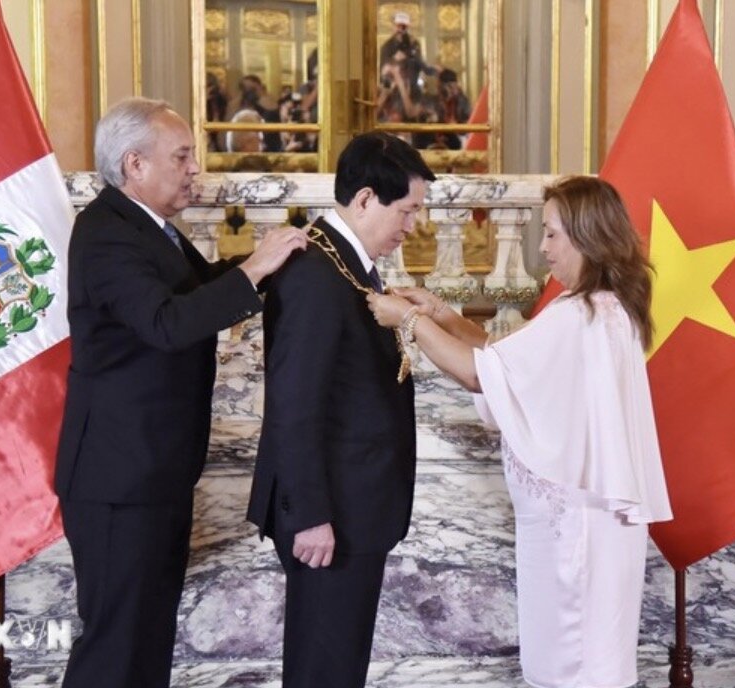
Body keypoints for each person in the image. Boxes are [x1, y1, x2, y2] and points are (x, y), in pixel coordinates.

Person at [367, 176, 673, 688]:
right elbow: (509, 360)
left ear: (587, 236)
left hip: (575, 534)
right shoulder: (604, 306)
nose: (543, 247)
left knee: (571, 665)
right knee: (594, 658)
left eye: (553, 234)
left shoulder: (580, 314)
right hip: (591, 527)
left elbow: (478, 371)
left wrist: (407, 321)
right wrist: (441, 313)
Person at [54, 97, 306, 688]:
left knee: (147, 640)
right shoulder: (107, 234)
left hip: (153, 473)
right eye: (183, 156)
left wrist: (273, 264)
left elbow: (199, 291)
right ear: (135, 164)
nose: (196, 168)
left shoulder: (151, 229)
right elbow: (167, 323)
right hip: (118, 481)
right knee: (116, 646)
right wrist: (254, 272)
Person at [247, 131, 436, 688]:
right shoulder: (316, 275)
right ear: (364, 200)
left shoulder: (346, 263)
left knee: (339, 665)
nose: (412, 226)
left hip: (355, 506)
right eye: (407, 210)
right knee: (323, 669)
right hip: (328, 514)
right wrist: (309, 514)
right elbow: (295, 402)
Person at [378, 11, 438, 94]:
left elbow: (420, 63)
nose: (400, 30)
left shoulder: (414, 44)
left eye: (403, 27)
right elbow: (383, 72)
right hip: (394, 90)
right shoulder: (387, 47)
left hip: (413, 88)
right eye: (398, 26)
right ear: (393, 27)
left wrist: (432, 70)